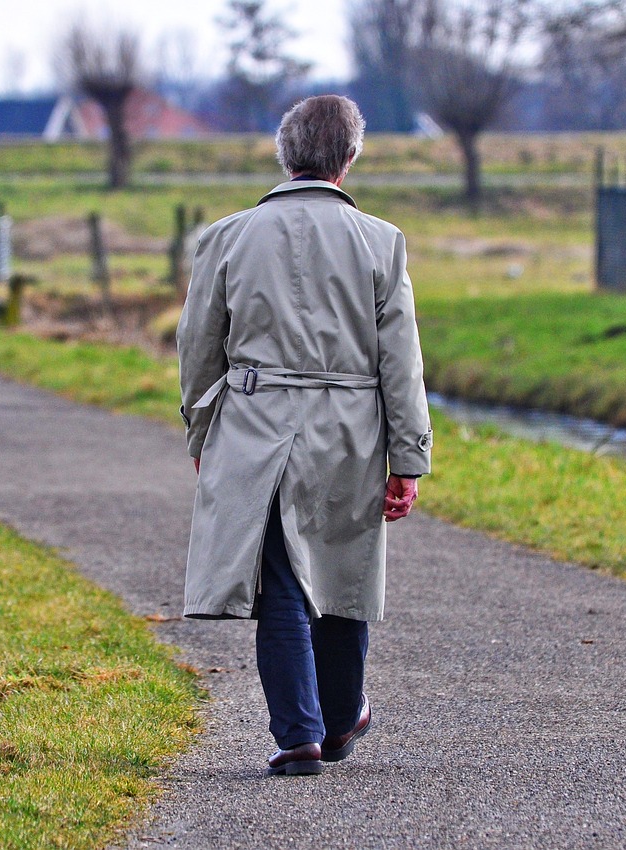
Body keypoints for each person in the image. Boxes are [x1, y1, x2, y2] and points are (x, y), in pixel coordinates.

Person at [176, 95, 432, 777]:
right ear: (349, 159)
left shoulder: (226, 238)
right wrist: (408, 457)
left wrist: (203, 434)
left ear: (285, 156)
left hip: (255, 426)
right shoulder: (382, 241)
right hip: (351, 428)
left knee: (282, 582)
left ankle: (302, 734)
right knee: (343, 571)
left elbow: (199, 350)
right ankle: (340, 719)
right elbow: (400, 361)